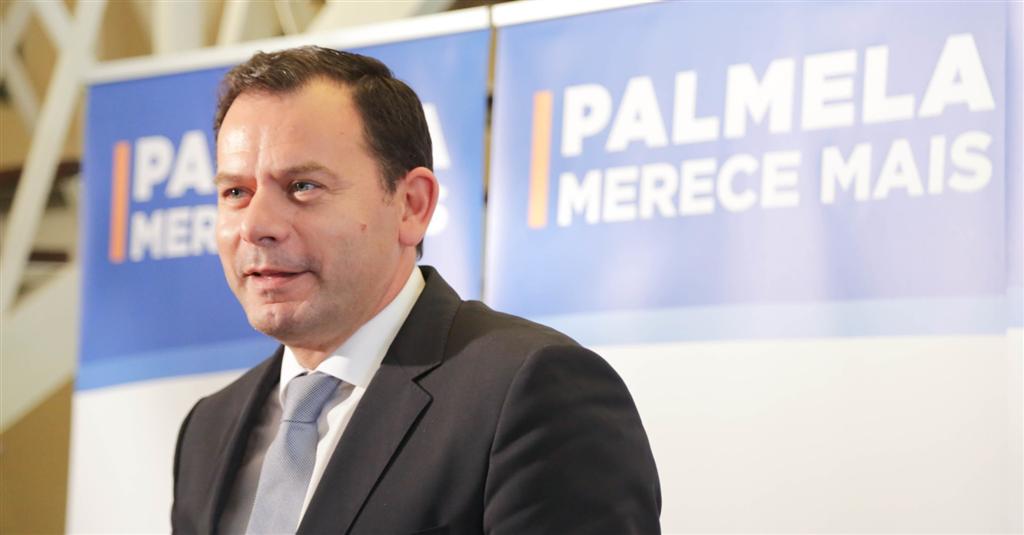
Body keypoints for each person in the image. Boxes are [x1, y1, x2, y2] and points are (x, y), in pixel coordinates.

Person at [171, 46, 661, 534]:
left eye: (303, 186)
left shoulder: (531, 392)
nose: (256, 225)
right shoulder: (209, 428)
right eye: (235, 192)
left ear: (412, 205)